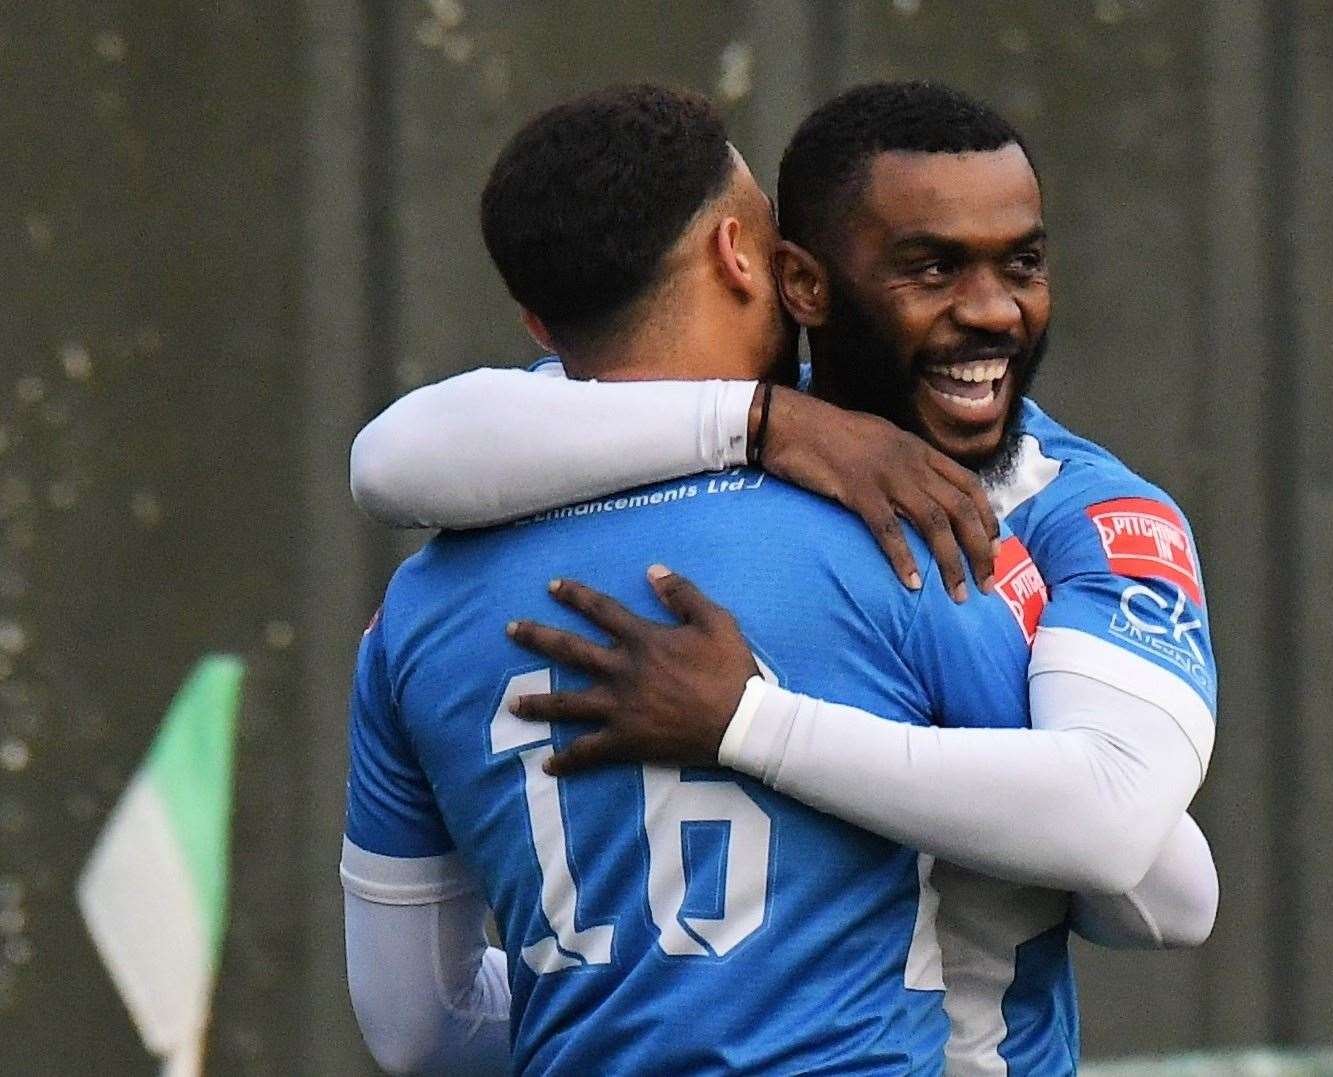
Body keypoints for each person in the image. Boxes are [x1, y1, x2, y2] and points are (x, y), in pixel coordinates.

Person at [351, 82, 1218, 1076]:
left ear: (539, 324)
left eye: (1021, 261)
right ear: (763, 266)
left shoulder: (415, 614)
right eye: (930, 267)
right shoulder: (914, 552)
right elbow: (1167, 885)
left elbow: (418, 1025)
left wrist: (629, 1008)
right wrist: (765, 429)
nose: (988, 309)